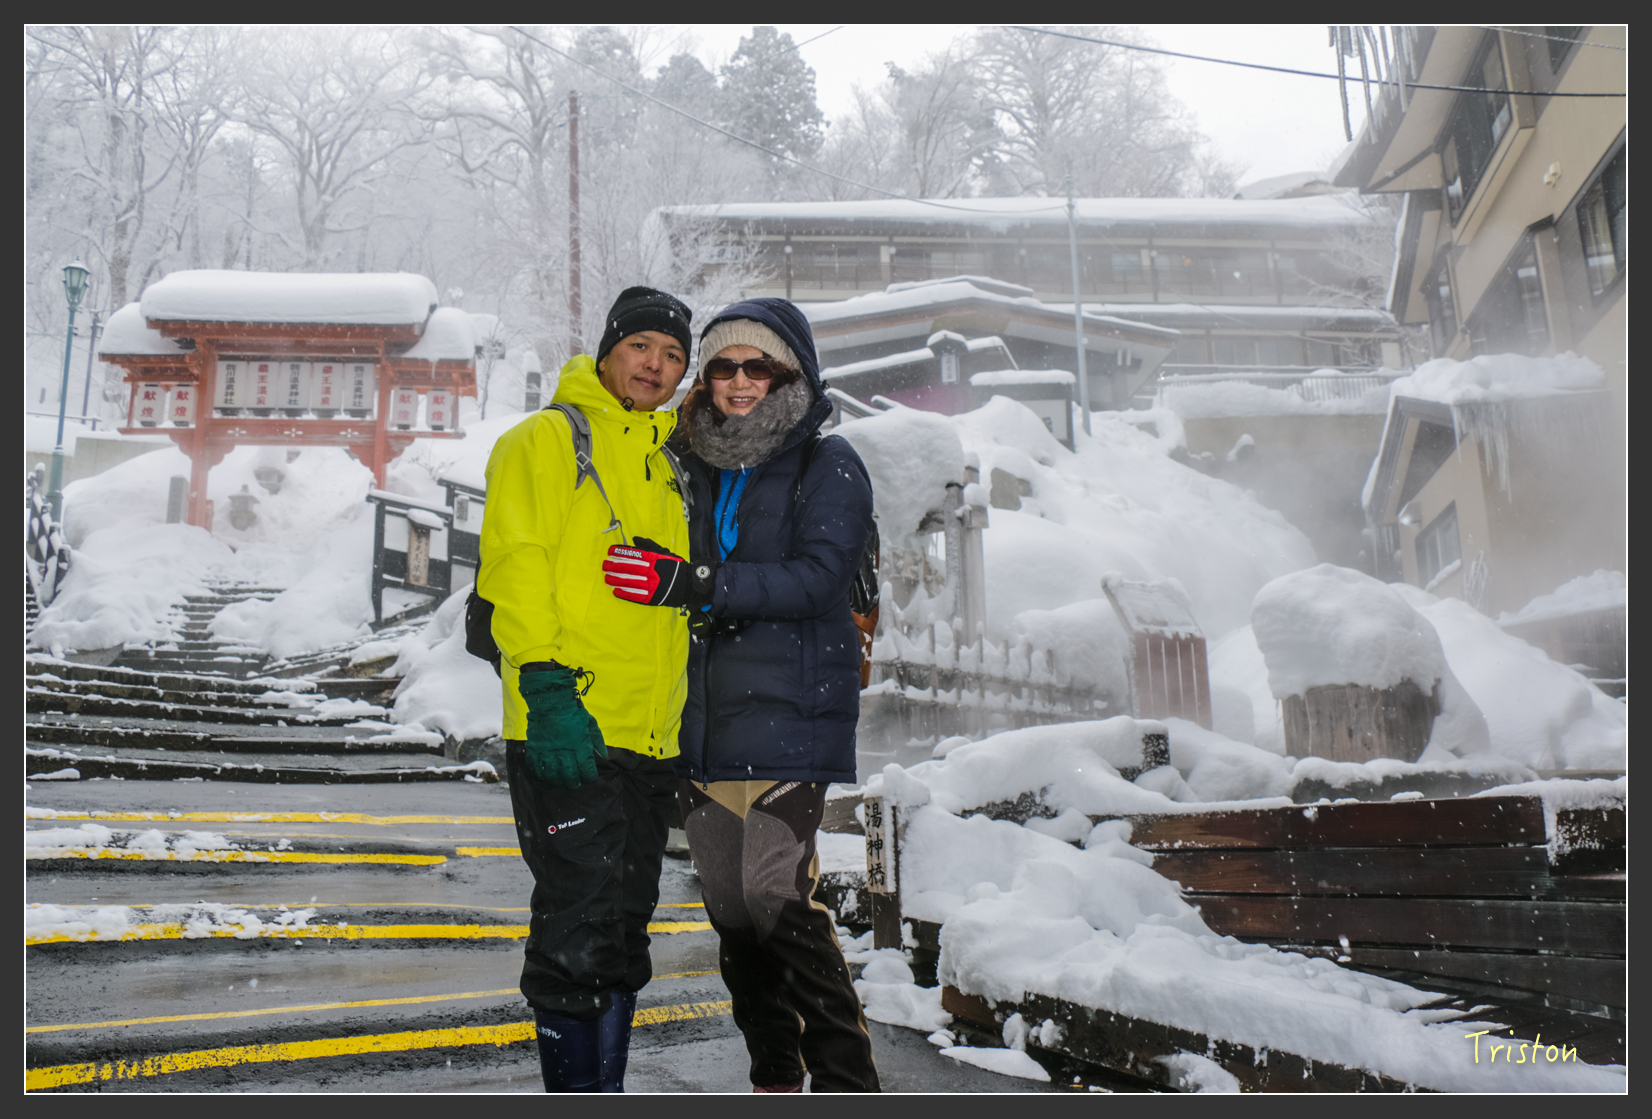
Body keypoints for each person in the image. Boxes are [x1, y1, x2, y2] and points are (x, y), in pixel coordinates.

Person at [603, 297, 880, 1092]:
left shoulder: (828, 463)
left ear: (791, 372)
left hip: (793, 707)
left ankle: (846, 1079)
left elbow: (820, 578)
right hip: (702, 714)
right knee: (730, 905)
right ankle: (773, 1073)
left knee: (776, 893)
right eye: (723, 365)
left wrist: (695, 583)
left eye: (759, 364)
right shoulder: (686, 455)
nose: (739, 381)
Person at [478, 286, 695, 1093]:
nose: (656, 366)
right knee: (576, 933)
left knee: (619, 933)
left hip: (651, 735)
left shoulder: (676, 455)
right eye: (643, 346)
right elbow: (515, 565)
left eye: (674, 355)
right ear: (606, 350)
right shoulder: (544, 440)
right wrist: (544, 686)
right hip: (569, 720)